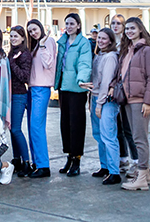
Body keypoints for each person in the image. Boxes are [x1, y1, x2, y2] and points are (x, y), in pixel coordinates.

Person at [118, 17, 150, 191]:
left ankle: (141, 177)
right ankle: (145, 175)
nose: (129, 31)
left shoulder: (147, 51)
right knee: (137, 137)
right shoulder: (128, 50)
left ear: (140, 29)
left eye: (132, 28)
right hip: (128, 99)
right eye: (127, 28)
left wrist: (148, 101)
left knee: (139, 139)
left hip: (139, 100)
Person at [54, 13, 92, 177]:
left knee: (76, 125)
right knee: (65, 124)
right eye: (67, 23)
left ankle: (77, 159)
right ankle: (69, 156)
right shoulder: (62, 42)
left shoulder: (83, 43)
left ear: (78, 25)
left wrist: (82, 79)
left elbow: (84, 63)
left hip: (77, 88)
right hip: (63, 87)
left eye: (72, 24)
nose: (69, 27)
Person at [84, 28, 122, 185]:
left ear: (111, 41)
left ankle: (114, 172)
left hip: (106, 101)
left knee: (108, 136)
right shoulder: (99, 55)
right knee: (98, 135)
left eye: (104, 38)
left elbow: (106, 83)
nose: (100, 41)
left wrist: (99, 104)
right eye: (99, 38)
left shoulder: (111, 57)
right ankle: (105, 166)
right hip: (95, 97)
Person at [26, 19, 56, 178]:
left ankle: (44, 165)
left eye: (35, 29)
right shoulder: (36, 45)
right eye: (30, 31)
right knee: (32, 128)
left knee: (37, 127)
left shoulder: (47, 42)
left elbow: (48, 63)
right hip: (32, 88)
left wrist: (43, 45)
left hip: (42, 88)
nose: (33, 33)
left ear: (41, 28)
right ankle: (36, 162)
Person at [111, 14, 138, 174]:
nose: (115, 26)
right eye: (113, 23)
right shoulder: (109, 43)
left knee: (128, 128)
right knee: (117, 127)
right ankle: (123, 158)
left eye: (119, 24)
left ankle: (136, 161)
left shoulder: (128, 45)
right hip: (113, 90)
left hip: (125, 90)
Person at [7, 25, 32, 177]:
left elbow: (24, 77)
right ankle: (16, 159)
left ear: (23, 38)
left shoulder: (24, 54)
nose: (13, 39)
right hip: (10, 94)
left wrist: (12, 63)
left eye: (16, 36)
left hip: (19, 94)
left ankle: (27, 162)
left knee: (16, 129)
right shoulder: (12, 53)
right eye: (11, 36)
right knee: (11, 129)